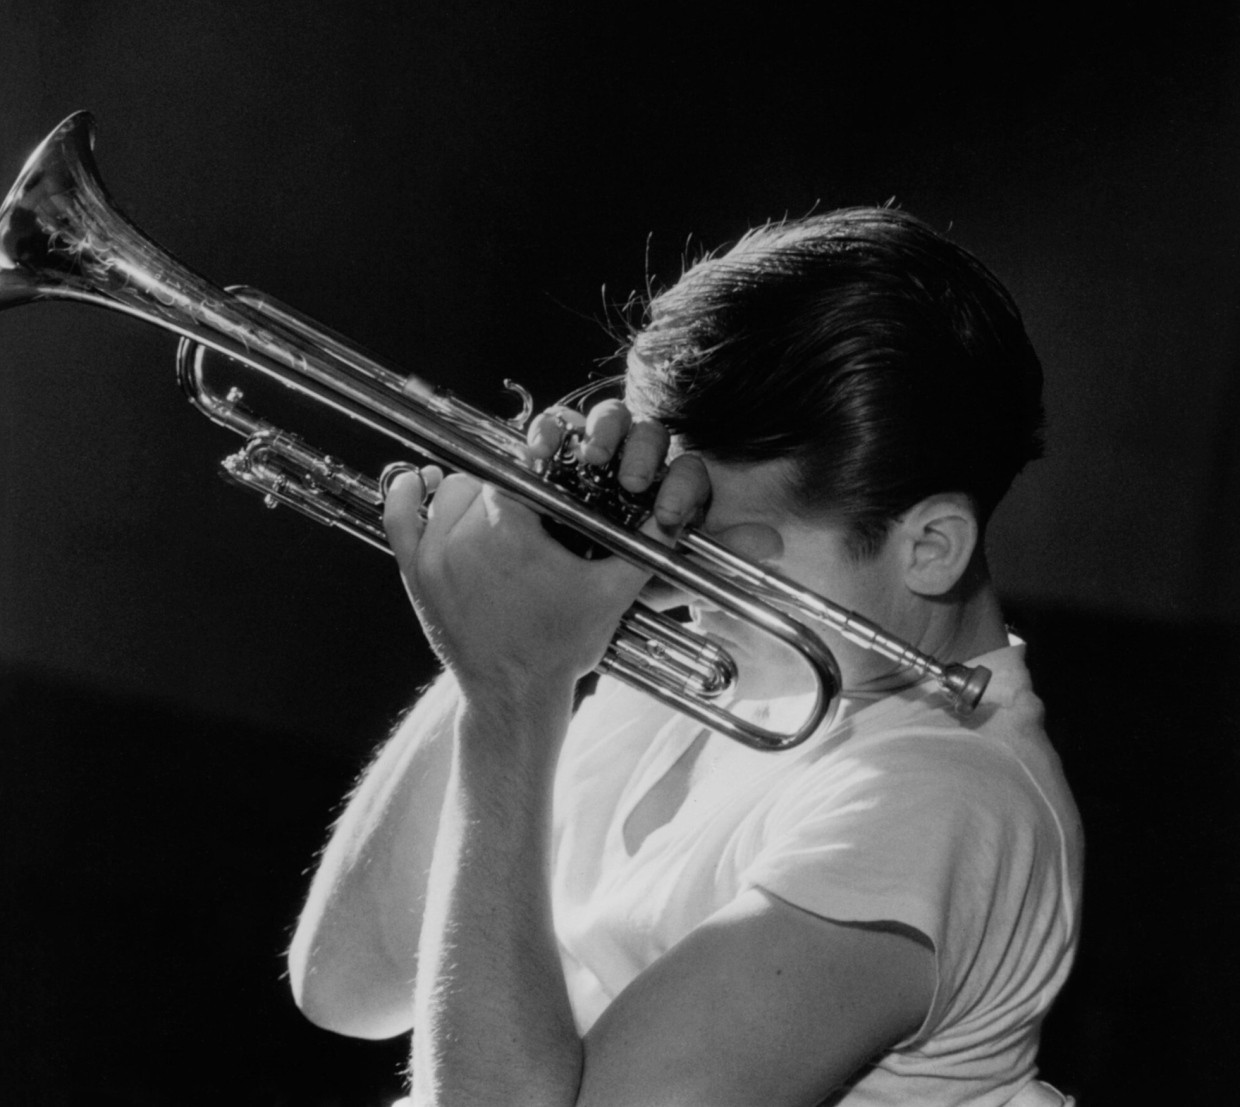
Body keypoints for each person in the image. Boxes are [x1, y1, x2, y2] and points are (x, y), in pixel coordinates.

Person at [286, 208, 1083, 1107]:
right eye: (674, 522)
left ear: (931, 545)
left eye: (723, 544)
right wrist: (516, 594)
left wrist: (512, 689)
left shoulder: (944, 797)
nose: (679, 570)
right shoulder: (715, 664)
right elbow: (350, 983)